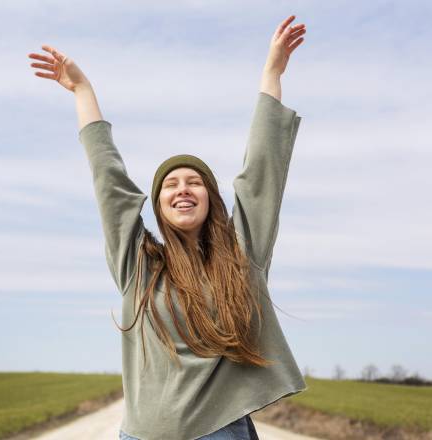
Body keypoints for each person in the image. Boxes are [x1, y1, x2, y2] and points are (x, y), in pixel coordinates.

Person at [28, 14, 306, 440]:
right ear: (157, 206)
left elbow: (261, 176)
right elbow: (111, 184)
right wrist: (83, 92)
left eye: (195, 182)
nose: (183, 189)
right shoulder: (138, 265)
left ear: (211, 197)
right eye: (170, 185)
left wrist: (272, 73)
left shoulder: (242, 257)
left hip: (220, 431)